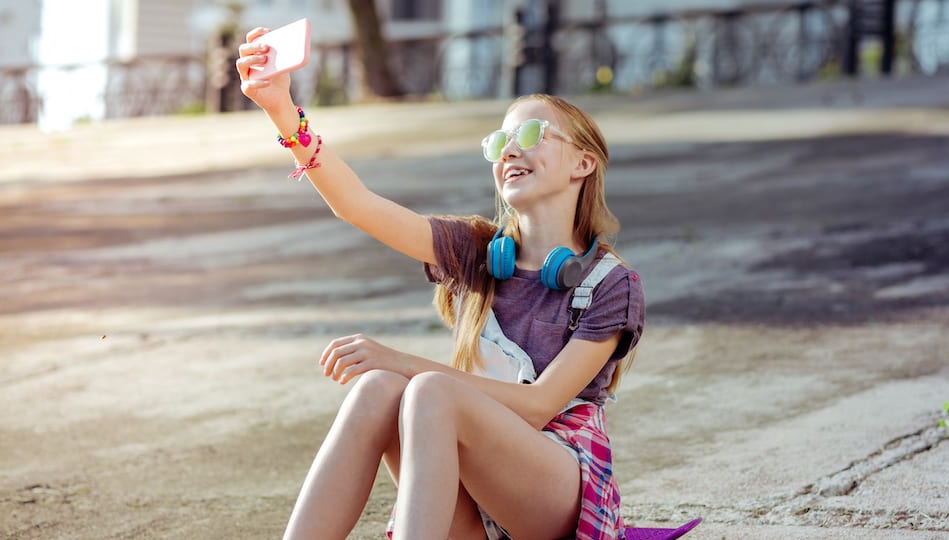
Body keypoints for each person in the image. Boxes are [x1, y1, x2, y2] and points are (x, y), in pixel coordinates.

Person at [237, 25, 644, 540]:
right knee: (378, 387)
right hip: (468, 498)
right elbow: (356, 204)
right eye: (499, 143)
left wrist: (403, 360)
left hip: (556, 492)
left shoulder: (611, 283)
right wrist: (280, 109)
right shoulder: (477, 252)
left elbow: (541, 404)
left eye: (531, 136)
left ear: (583, 163)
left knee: (427, 388)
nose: (509, 152)